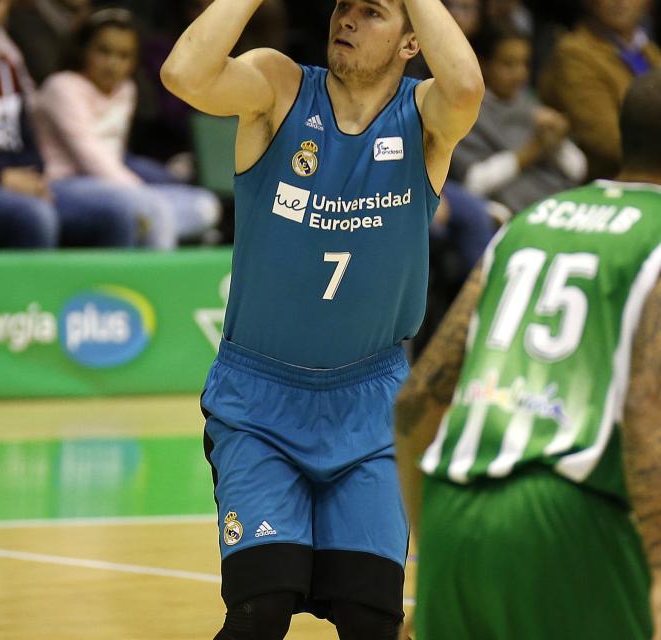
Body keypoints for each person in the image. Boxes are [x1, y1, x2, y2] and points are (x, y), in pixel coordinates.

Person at [161, 0, 483, 635]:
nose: (348, 20)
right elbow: (184, 75)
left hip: (372, 407)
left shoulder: (423, 117)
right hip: (260, 402)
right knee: (261, 608)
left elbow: (468, 86)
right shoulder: (279, 87)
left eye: (372, 12)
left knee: (369, 620)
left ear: (410, 42)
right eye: (343, 6)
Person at [394, 65, 661, 640]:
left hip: (453, 512)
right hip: (569, 518)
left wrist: (436, 557)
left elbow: (415, 403)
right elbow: (649, 407)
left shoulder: (527, 226)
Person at [39, 9, 221, 249]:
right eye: (104, 51)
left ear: (134, 62)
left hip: (115, 181)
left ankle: (153, 224)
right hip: (66, 184)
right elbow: (91, 155)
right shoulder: (62, 87)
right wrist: (142, 195)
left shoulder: (126, 90)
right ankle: (157, 279)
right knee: (154, 212)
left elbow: (116, 151)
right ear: (83, 50)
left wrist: (142, 196)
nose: (113, 63)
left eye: (123, 56)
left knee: (206, 205)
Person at [0, 0, 139, 249]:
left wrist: (32, 174)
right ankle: (30, 289)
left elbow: (29, 137)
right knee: (35, 216)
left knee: (120, 213)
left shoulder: (9, 65)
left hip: (23, 178)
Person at [454, 28, 588, 215]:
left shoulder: (528, 102)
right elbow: (473, 182)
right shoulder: (464, 112)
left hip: (560, 203)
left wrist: (558, 142)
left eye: (524, 64)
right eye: (508, 64)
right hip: (514, 212)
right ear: (482, 65)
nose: (520, 74)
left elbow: (577, 169)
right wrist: (530, 151)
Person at [537, 0, 661, 181]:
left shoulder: (648, 50)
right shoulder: (573, 54)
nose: (620, 2)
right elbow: (608, 141)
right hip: (611, 184)